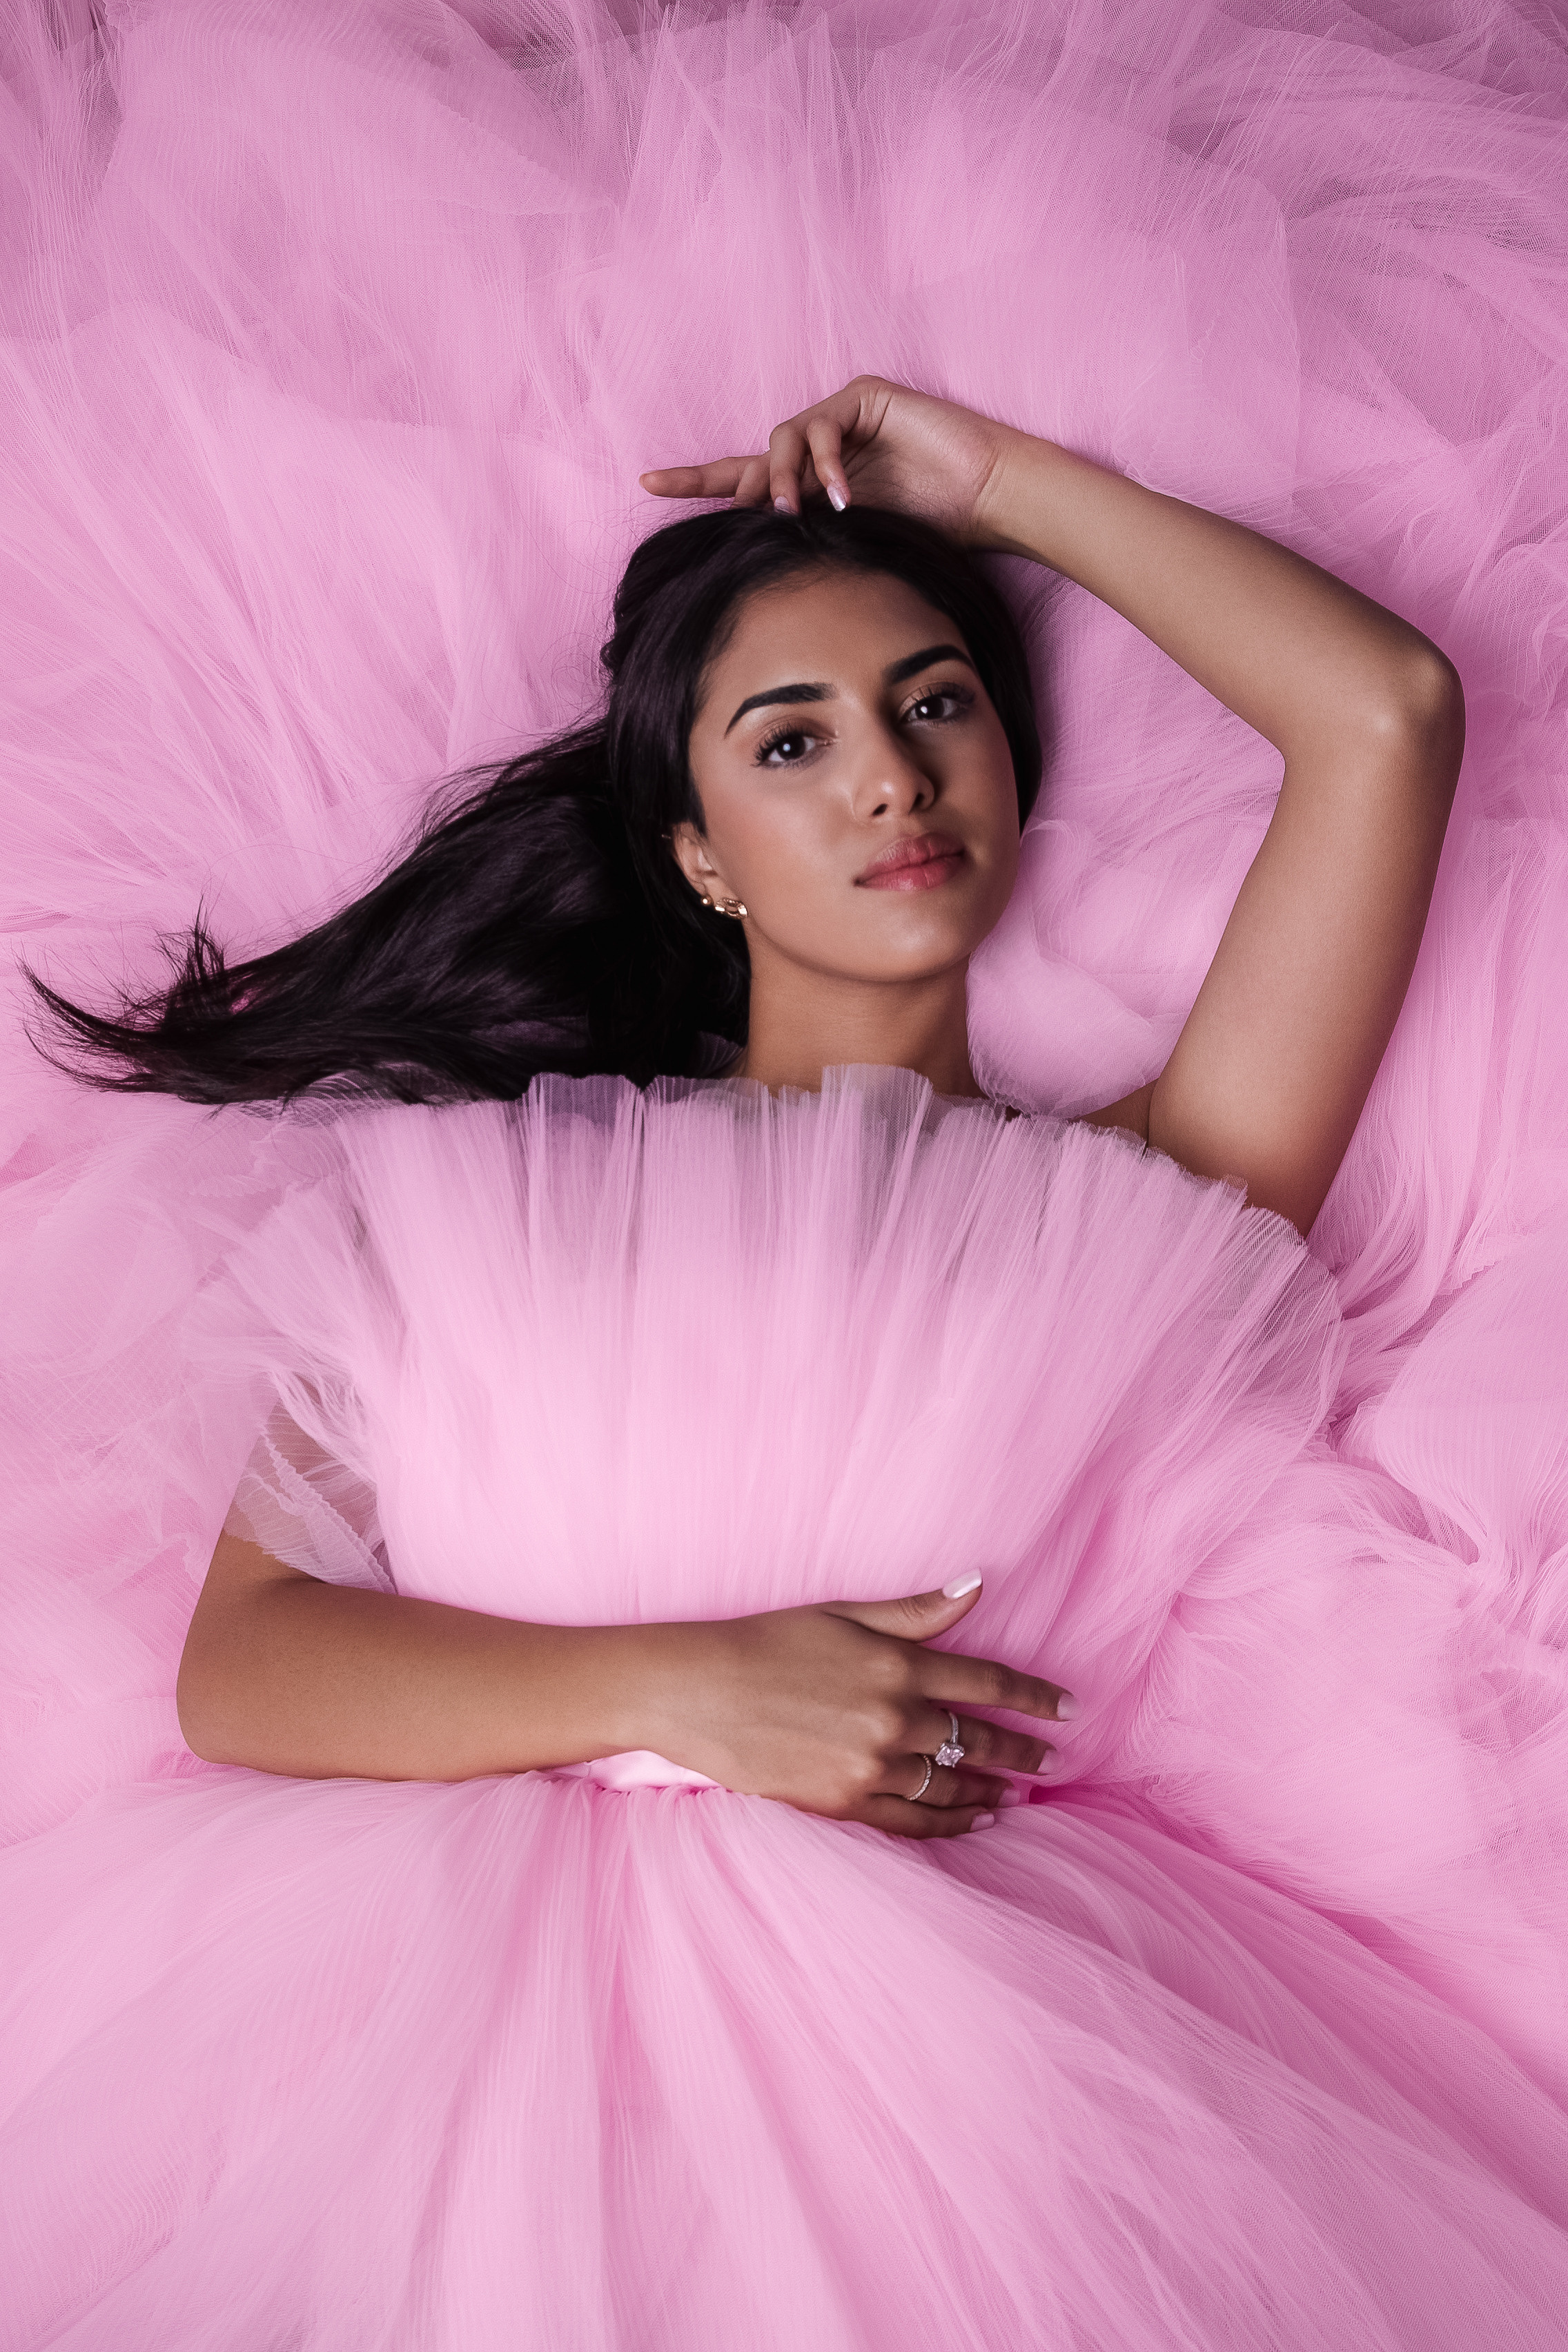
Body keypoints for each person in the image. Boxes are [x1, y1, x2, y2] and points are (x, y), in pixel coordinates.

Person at [12, 375, 1568, 2348]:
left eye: (937, 705)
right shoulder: (476, 1202)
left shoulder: (1153, 1198)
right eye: (794, 739)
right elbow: (245, 1661)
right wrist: (688, 1688)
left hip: (979, 2088)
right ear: (705, 856)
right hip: (423, 2048)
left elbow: (1387, 716)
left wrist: (998, 484)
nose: (892, 783)